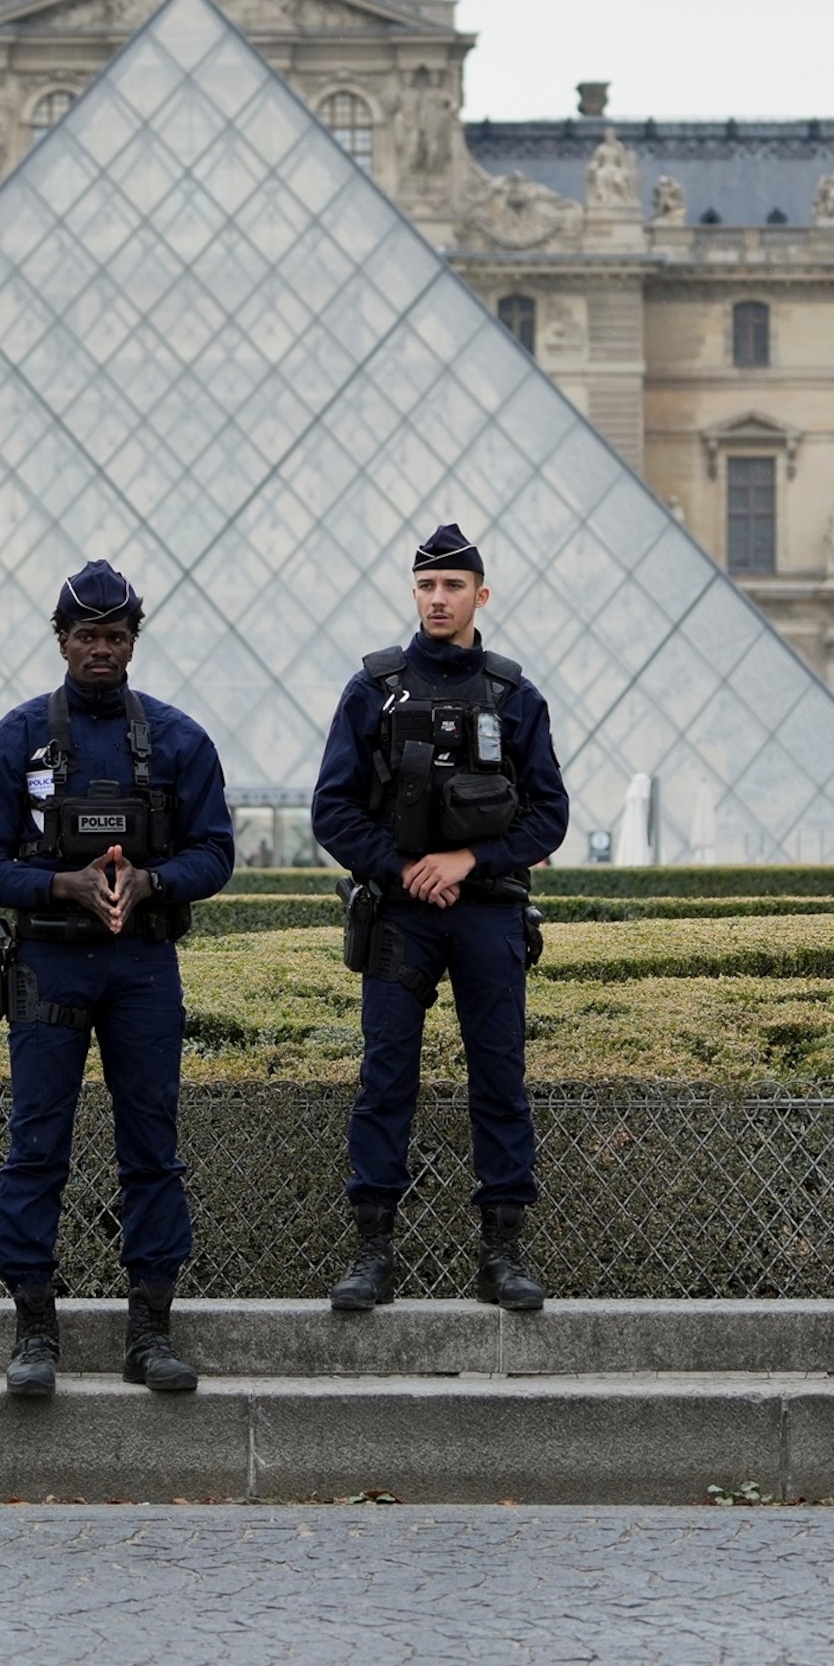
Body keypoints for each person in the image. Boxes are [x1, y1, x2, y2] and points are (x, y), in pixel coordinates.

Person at [0, 560, 234, 1396]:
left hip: (142, 962)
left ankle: (149, 1331)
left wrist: (151, 881)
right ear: (62, 640)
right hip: (47, 959)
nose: (102, 651)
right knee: (36, 1146)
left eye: (116, 637)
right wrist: (61, 885)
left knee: (152, 1147)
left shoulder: (181, 740)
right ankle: (34, 1330)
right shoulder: (16, 740)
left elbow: (217, 853)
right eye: (87, 637)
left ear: (133, 641)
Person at [310, 523, 569, 1313]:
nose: (438, 599)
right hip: (400, 917)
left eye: (453, 586)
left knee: (501, 1079)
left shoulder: (515, 696)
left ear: (480, 595)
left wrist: (466, 862)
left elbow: (549, 817)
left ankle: (503, 1254)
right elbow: (333, 812)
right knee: (385, 1079)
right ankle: (372, 1252)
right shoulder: (372, 692)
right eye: (426, 585)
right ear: (413, 592)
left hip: (487, 913)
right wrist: (404, 871)